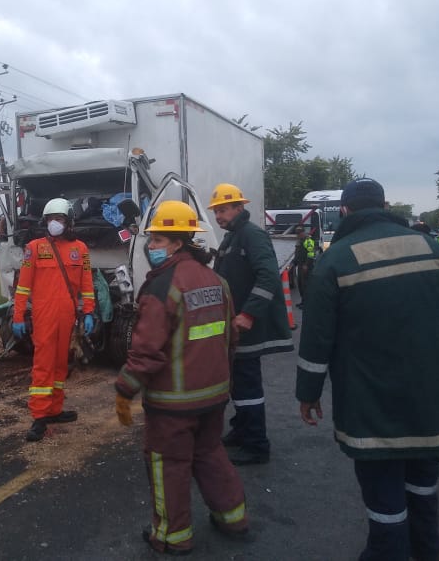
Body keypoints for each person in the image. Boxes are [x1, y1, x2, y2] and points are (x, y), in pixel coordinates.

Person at [296, 178, 439, 561]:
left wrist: (307, 393)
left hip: (372, 399)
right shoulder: (432, 249)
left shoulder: (337, 259)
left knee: (383, 493)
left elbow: (316, 339)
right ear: (385, 204)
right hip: (431, 395)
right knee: (423, 483)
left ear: (344, 211)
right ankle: (426, 550)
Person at [114, 200, 249, 556]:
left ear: (176, 242)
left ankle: (172, 536)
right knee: (210, 453)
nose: (151, 247)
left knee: (168, 464)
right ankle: (233, 517)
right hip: (214, 395)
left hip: (174, 403)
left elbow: (146, 351)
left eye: (156, 240)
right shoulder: (215, 279)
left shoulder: (161, 287)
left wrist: (124, 388)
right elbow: (231, 338)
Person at [209, 183, 294, 466]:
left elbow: (268, 277)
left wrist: (248, 314)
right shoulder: (233, 237)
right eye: (217, 211)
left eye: (222, 210)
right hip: (235, 325)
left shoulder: (251, 235)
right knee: (238, 382)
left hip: (246, 326)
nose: (218, 216)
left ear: (239, 208)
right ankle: (242, 429)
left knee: (247, 385)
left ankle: (256, 444)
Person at [12, 197, 95, 442]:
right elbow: (23, 287)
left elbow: (87, 285)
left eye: (58, 219)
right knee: (43, 365)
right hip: (44, 316)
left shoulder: (80, 249)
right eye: (50, 219)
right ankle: (39, 416)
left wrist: (88, 312)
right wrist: (18, 316)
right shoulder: (34, 248)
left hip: (67, 315)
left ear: (68, 222)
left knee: (60, 365)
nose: (54, 224)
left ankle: (54, 410)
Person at [293, 225, 316, 308]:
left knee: (305, 285)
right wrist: (294, 263)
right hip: (300, 266)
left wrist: (306, 264)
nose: (298, 235)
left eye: (299, 233)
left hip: (306, 266)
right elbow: (297, 253)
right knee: (300, 284)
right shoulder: (299, 241)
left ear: (303, 232)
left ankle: (307, 303)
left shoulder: (308, 241)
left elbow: (311, 254)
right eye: (297, 234)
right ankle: (303, 301)